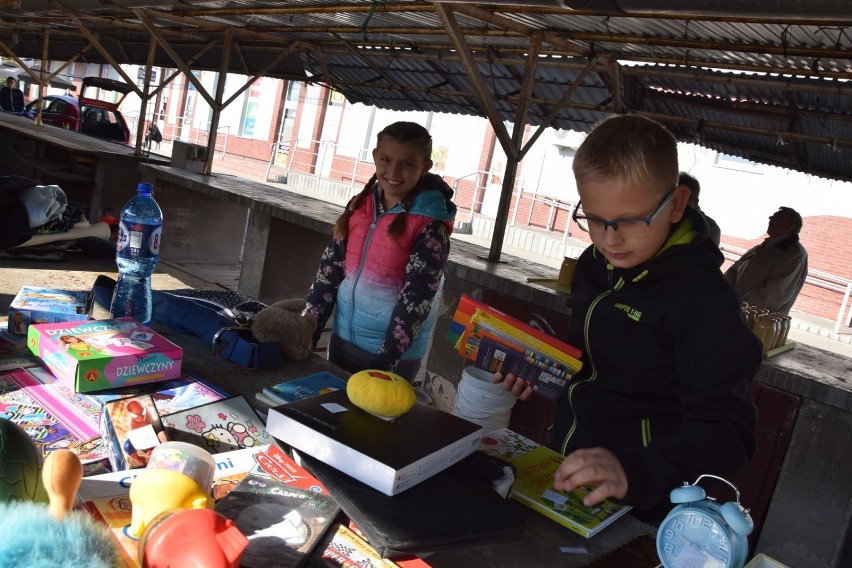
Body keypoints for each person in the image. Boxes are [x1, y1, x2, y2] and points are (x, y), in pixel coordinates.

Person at [494, 114, 762, 522]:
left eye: (629, 222)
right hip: (570, 473)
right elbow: (598, 364)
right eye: (596, 220)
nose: (609, 239)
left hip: (646, 503)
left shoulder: (704, 302)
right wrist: (539, 366)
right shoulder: (596, 265)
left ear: (675, 205)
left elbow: (728, 432)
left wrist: (635, 471)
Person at [303, 121, 456, 382]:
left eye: (407, 163)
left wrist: (386, 362)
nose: (394, 171)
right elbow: (329, 274)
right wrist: (308, 332)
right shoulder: (359, 206)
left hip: (392, 358)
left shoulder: (429, 225)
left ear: (425, 167)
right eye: (386, 159)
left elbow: (416, 299)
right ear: (375, 156)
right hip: (344, 340)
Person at [724, 206, 808, 315]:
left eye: (777, 217)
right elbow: (735, 270)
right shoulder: (765, 246)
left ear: (789, 226)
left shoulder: (794, 254)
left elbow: (773, 295)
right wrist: (723, 292)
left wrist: (738, 304)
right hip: (735, 311)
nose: (770, 218)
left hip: (757, 319)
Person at [679, 171, 721, 246]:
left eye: (682, 199)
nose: (675, 204)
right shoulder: (664, 216)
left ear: (695, 202)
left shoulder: (711, 229)